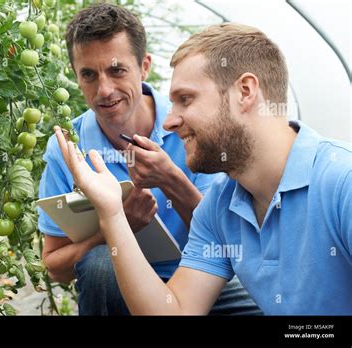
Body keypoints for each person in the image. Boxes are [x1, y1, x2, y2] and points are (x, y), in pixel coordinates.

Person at [53, 22, 352, 315]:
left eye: (186, 99)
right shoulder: (221, 206)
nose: (169, 122)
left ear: (245, 92)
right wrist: (114, 214)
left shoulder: (342, 183)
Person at [38, 5, 260, 315]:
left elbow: (227, 241)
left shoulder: (189, 123)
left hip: (198, 277)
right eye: (89, 75)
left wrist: (171, 179)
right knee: (102, 264)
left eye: (117, 70)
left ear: (144, 67)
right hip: (120, 287)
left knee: (266, 298)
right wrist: (115, 227)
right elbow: (56, 267)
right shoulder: (67, 149)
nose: (104, 90)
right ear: (76, 76)